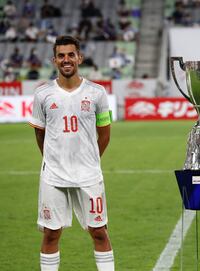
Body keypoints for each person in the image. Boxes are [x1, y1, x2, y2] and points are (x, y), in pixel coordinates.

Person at [29, 35, 114, 271]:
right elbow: (40, 135)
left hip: (88, 174)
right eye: (61, 55)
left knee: (99, 232)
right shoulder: (43, 94)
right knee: (51, 233)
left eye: (71, 55)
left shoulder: (97, 93)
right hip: (53, 175)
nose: (66, 60)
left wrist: (89, 161)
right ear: (54, 60)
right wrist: (54, 159)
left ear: (79, 57)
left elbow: (105, 134)